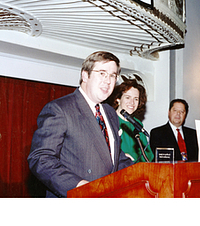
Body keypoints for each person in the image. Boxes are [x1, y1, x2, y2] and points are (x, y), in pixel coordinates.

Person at [27, 51, 133, 197]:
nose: (108, 81)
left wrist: (142, 172)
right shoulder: (60, 109)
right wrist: (77, 185)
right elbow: (40, 158)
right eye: (102, 73)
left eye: (113, 75)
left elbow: (112, 157)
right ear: (85, 75)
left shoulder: (110, 113)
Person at [107, 79, 154, 163]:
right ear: (118, 99)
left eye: (136, 99)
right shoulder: (109, 120)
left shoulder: (137, 124)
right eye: (127, 97)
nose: (132, 102)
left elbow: (147, 155)